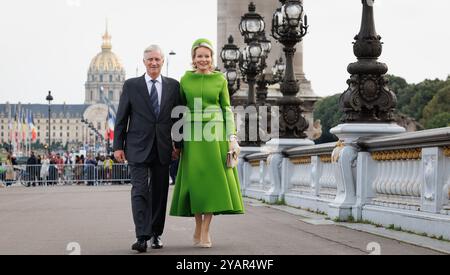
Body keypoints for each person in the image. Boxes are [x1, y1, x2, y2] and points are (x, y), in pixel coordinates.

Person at [169, 38, 244, 248]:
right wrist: (177, 140)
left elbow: (227, 109)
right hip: (193, 137)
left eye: (207, 56)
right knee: (195, 182)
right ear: (193, 58)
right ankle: (197, 224)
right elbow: (179, 111)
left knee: (211, 183)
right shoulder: (185, 80)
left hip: (215, 135)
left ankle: (205, 229)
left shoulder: (220, 80)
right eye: (199, 56)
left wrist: (231, 137)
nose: (203, 59)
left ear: (211, 58)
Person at [113, 44, 182, 253]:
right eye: (150, 60)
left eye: (157, 60)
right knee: (140, 190)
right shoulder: (131, 85)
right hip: (137, 147)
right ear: (144, 62)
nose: (153, 63)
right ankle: (141, 236)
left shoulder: (173, 86)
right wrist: (118, 146)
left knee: (160, 193)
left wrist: (178, 145)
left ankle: (156, 234)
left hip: (163, 148)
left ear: (163, 62)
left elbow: (179, 117)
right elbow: (121, 117)